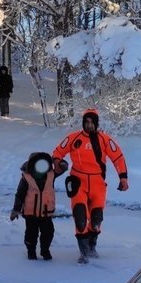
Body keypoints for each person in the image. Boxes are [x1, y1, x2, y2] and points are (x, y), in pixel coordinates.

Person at [52, 108, 129, 264]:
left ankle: (92, 246)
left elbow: (118, 157)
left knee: (96, 218)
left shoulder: (104, 139)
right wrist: (59, 163)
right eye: (86, 122)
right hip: (78, 181)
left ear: (96, 122)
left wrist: (123, 178)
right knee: (80, 216)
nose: (89, 125)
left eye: (91, 122)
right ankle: (84, 252)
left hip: (97, 183)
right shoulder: (74, 138)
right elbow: (58, 152)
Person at [10, 152, 68, 260]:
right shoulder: (26, 178)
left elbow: (61, 168)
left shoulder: (51, 175)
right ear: (32, 165)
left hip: (46, 214)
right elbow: (20, 194)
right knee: (31, 235)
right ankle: (31, 251)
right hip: (30, 214)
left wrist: (63, 164)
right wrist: (16, 209)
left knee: (48, 233)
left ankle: (45, 250)